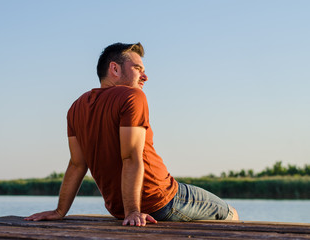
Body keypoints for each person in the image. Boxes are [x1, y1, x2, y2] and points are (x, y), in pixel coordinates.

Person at [25, 42, 239, 226]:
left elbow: (77, 164)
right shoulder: (132, 96)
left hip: (117, 209)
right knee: (230, 213)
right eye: (138, 68)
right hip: (161, 199)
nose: (145, 76)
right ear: (115, 69)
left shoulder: (76, 107)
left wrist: (60, 211)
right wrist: (133, 212)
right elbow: (130, 157)